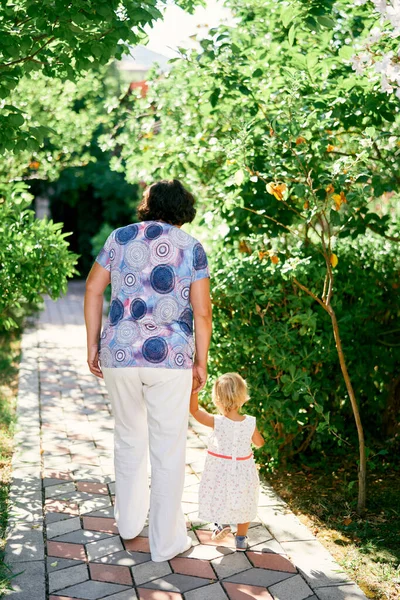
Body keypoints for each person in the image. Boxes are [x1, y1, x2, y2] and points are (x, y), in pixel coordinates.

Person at [84, 179, 212, 562]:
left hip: (119, 354)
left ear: (148, 204)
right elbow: (202, 312)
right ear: (183, 209)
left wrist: (93, 343)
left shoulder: (120, 238)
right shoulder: (191, 248)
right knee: (168, 449)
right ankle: (166, 543)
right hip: (170, 358)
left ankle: (128, 525)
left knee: (128, 439)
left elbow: (92, 290)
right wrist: (201, 359)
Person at [190, 372, 264, 551]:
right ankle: (240, 539)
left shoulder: (217, 421)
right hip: (243, 469)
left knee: (220, 497)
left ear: (217, 399)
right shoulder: (250, 422)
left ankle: (221, 524)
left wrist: (194, 388)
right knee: (244, 502)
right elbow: (260, 443)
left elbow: (194, 410)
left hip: (221, 470)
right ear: (242, 396)